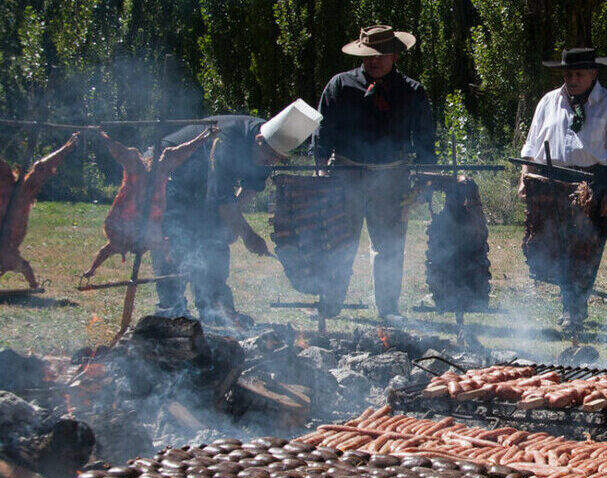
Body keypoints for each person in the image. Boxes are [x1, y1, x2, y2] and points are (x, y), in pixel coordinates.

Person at [313, 24, 436, 319]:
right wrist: (319, 170)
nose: (374, 60)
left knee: (390, 247)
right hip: (345, 176)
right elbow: (322, 131)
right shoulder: (340, 86)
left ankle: (388, 309)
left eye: (381, 54)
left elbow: (425, 140)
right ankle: (329, 305)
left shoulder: (412, 91)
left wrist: (425, 178)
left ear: (394, 55)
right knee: (339, 242)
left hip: (392, 179)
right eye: (369, 54)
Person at [153, 109, 307, 328]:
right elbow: (223, 201)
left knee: (214, 241)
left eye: (277, 159)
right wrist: (248, 234)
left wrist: (231, 222)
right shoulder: (226, 139)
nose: (271, 163)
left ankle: (217, 311)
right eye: (270, 157)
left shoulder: (267, 152)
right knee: (175, 243)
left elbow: (248, 191)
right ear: (259, 141)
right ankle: (171, 311)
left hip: (206, 190)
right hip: (171, 178)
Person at [520, 48, 607, 329]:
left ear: (593, 74)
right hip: (552, 181)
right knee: (555, 247)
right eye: (568, 73)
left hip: (592, 182)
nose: (572, 79)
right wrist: (525, 176)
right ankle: (568, 303)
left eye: (579, 74)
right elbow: (531, 146)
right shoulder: (549, 102)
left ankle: (574, 309)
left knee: (586, 248)